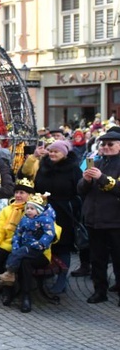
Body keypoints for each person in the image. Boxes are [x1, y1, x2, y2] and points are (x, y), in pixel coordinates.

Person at [33, 139, 82, 294]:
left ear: (64, 153)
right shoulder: (44, 166)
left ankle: (62, 279)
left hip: (64, 213)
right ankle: (49, 273)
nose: (53, 154)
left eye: (56, 151)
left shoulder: (73, 169)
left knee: (63, 245)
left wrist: (71, 205)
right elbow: (36, 185)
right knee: (47, 243)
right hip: (44, 210)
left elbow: (79, 191)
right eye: (51, 151)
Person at [78, 130, 120, 304]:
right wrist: (86, 180)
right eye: (103, 144)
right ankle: (99, 291)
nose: (106, 147)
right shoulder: (96, 162)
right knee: (97, 259)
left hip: (116, 220)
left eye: (110, 144)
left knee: (119, 259)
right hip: (95, 220)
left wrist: (101, 178)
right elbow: (80, 191)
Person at [0, 193, 56, 313]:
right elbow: (18, 234)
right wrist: (16, 246)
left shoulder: (46, 219)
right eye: (27, 208)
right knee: (22, 259)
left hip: (39, 252)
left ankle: (12, 277)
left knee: (23, 259)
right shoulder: (24, 220)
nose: (29, 211)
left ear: (38, 210)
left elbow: (49, 235)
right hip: (25, 250)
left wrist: (37, 245)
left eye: (32, 209)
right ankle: (22, 294)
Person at [0, 178, 34, 306]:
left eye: (22, 193)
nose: (18, 195)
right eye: (17, 192)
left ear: (29, 195)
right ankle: (7, 287)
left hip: (29, 246)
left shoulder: (35, 208)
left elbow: (51, 228)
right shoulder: (8, 209)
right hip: (9, 244)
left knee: (24, 261)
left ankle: (25, 295)